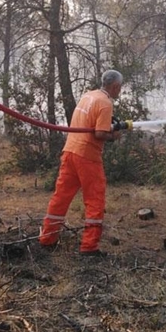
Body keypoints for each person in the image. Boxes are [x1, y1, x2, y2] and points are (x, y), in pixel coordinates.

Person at [39, 70, 124, 257]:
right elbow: (100, 134)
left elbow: (90, 123)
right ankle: (89, 247)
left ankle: (48, 239)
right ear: (115, 86)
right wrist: (115, 135)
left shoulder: (88, 96)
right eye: (120, 88)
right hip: (87, 156)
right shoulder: (105, 102)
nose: (120, 91)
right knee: (95, 198)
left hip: (70, 151)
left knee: (60, 196)